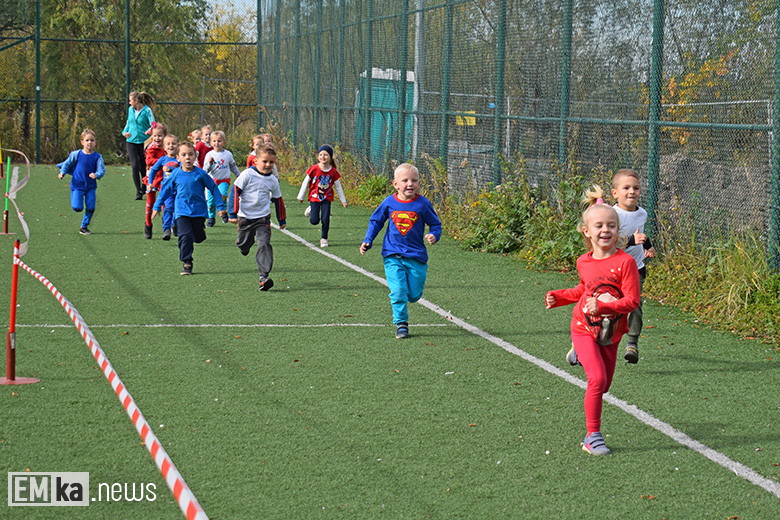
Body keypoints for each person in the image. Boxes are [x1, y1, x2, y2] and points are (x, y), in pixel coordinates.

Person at [544, 186, 640, 456]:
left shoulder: (625, 263)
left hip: (611, 333)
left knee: (605, 385)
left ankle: (580, 355)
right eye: (598, 225)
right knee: (596, 380)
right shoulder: (583, 262)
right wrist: (559, 297)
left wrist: (605, 305)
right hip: (583, 327)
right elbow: (582, 291)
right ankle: (592, 436)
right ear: (587, 231)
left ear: (618, 230)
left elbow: (632, 301)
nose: (605, 230)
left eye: (611, 225)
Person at [359, 163, 442, 339]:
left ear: (419, 184)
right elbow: (376, 221)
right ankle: (401, 323)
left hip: (416, 256)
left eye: (414, 180)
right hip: (392, 254)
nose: (410, 184)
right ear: (395, 184)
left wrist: (434, 235)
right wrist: (368, 240)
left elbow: (435, 224)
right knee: (398, 291)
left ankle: (409, 297)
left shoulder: (423, 204)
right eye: (405, 180)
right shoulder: (389, 202)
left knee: (413, 295)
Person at [151, 142, 226, 275]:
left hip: (198, 212)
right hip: (181, 211)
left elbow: (214, 188)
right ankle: (187, 262)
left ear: (195, 156)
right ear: (178, 158)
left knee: (198, 237)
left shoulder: (201, 174)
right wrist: (157, 206)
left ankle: (199, 231)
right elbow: (165, 190)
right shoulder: (175, 174)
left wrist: (220, 206)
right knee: (185, 236)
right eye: (184, 155)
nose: (187, 158)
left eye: (190, 154)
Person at [611, 168, 656, 364]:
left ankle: (632, 344)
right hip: (612, 268)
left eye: (636, 188)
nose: (632, 192)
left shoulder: (642, 213)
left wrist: (648, 246)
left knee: (634, 304)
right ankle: (590, 339)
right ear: (615, 193)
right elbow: (608, 241)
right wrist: (631, 240)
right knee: (609, 306)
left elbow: (640, 234)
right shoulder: (611, 214)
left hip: (635, 267)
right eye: (626, 188)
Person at [231, 143, 287, 291]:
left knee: (264, 244)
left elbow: (278, 199)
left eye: (271, 162)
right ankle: (243, 245)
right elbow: (235, 191)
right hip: (245, 217)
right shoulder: (247, 174)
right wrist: (233, 212)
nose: (268, 165)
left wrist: (281, 219)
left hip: (263, 219)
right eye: (265, 161)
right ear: (255, 161)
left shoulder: (273, 180)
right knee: (243, 244)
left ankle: (264, 277)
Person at [57, 128, 106, 235]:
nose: (90, 143)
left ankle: (84, 226)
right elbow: (67, 163)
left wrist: (96, 174)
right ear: (82, 142)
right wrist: (62, 172)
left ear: (95, 142)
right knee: (77, 208)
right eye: (87, 140)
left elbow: (101, 170)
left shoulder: (98, 157)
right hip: (77, 185)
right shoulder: (76, 154)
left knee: (91, 207)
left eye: (92, 140)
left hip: (90, 186)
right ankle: (76, 201)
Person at [297, 144, 347, 247]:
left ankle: (324, 238)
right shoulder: (314, 169)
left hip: (327, 198)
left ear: (330, 157)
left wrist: (343, 200)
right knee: (314, 221)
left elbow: (338, 187)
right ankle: (311, 209)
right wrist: (300, 196)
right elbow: (305, 182)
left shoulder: (333, 172)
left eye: (326, 155)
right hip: (315, 197)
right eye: (321, 154)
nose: (323, 157)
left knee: (325, 218)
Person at [203, 130, 241, 227]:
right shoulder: (209, 155)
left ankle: (223, 212)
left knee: (222, 195)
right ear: (211, 143)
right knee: (211, 202)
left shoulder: (228, 154)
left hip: (223, 180)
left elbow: (233, 166)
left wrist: (239, 175)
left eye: (219, 141)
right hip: (211, 181)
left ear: (224, 142)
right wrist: (209, 164)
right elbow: (205, 170)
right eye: (214, 141)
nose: (217, 143)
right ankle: (211, 217)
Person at [122, 91, 155, 200]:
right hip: (131, 141)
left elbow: (153, 124)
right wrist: (124, 133)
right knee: (135, 165)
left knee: (143, 165)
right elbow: (128, 123)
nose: (129, 103)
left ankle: (144, 185)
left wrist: (149, 131)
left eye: (130, 100)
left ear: (136, 101)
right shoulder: (130, 110)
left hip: (144, 142)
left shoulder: (147, 110)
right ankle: (138, 191)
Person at [146, 134, 180, 241]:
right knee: (168, 208)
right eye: (168, 144)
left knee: (178, 209)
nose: (171, 146)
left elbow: (185, 170)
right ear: (164, 147)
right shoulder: (162, 159)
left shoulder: (180, 159)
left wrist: (171, 170)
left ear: (178, 146)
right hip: (168, 190)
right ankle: (166, 229)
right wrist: (150, 182)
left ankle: (174, 224)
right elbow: (153, 170)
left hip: (179, 190)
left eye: (173, 144)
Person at [143, 122, 167, 239]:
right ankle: (148, 224)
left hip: (163, 177)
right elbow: (149, 161)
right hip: (152, 178)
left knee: (164, 200)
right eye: (155, 136)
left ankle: (166, 223)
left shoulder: (167, 147)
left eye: (160, 136)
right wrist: (162, 161)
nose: (157, 138)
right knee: (150, 201)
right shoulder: (151, 148)